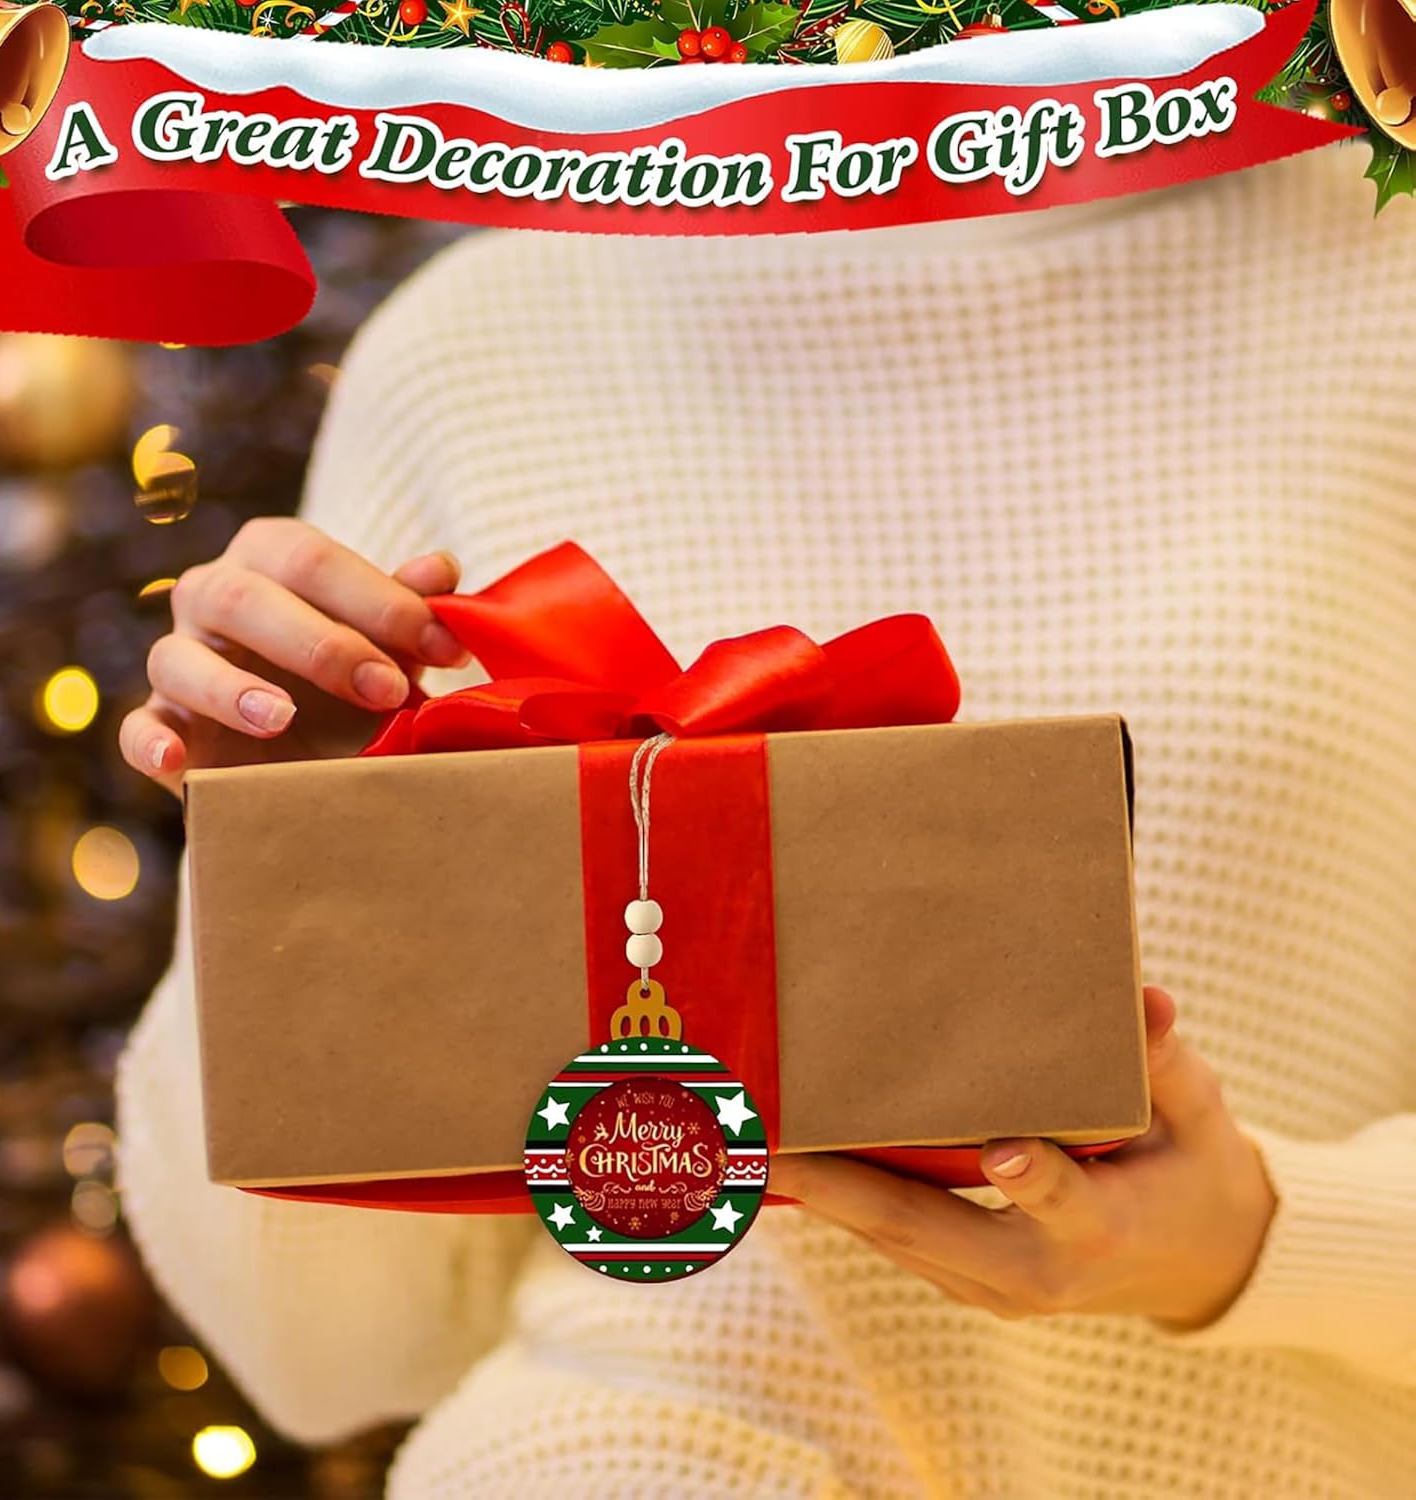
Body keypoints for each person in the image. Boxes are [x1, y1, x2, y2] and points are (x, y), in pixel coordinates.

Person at [115, 144, 1416, 1498]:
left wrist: (1258, 1240)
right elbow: (328, 1358)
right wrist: (297, 882)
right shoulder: (481, 343)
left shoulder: (1385, 277)